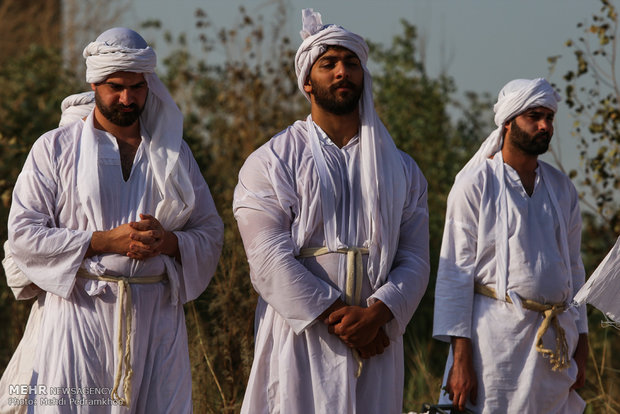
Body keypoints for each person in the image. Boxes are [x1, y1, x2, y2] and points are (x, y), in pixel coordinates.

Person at [4, 27, 224, 412]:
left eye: (137, 87)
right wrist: (106, 241)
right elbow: (23, 235)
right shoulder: (54, 149)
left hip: (156, 322)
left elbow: (209, 230)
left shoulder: (172, 154)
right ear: (94, 83)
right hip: (78, 319)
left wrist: (168, 242)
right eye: (115, 86)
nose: (127, 97)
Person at [233, 9, 430, 414]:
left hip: (376, 338)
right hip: (302, 332)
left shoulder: (401, 168)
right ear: (307, 81)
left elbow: (414, 258)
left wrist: (381, 312)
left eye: (351, 63)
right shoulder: (273, 160)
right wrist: (341, 316)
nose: (342, 72)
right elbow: (268, 258)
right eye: (329, 64)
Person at [433, 78, 589, 413]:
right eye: (534, 116)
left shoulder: (562, 188)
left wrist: (584, 342)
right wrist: (460, 360)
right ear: (508, 121)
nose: (545, 125)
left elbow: (575, 269)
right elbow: (454, 274)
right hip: (494, 345)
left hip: (555, 345)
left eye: (549, 117)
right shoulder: (475, 183)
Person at [0, 91, 95, 414]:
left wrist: (62, 254)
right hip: (51, 324)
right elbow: (17, 267)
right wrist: (91, 248)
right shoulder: (40, 200)